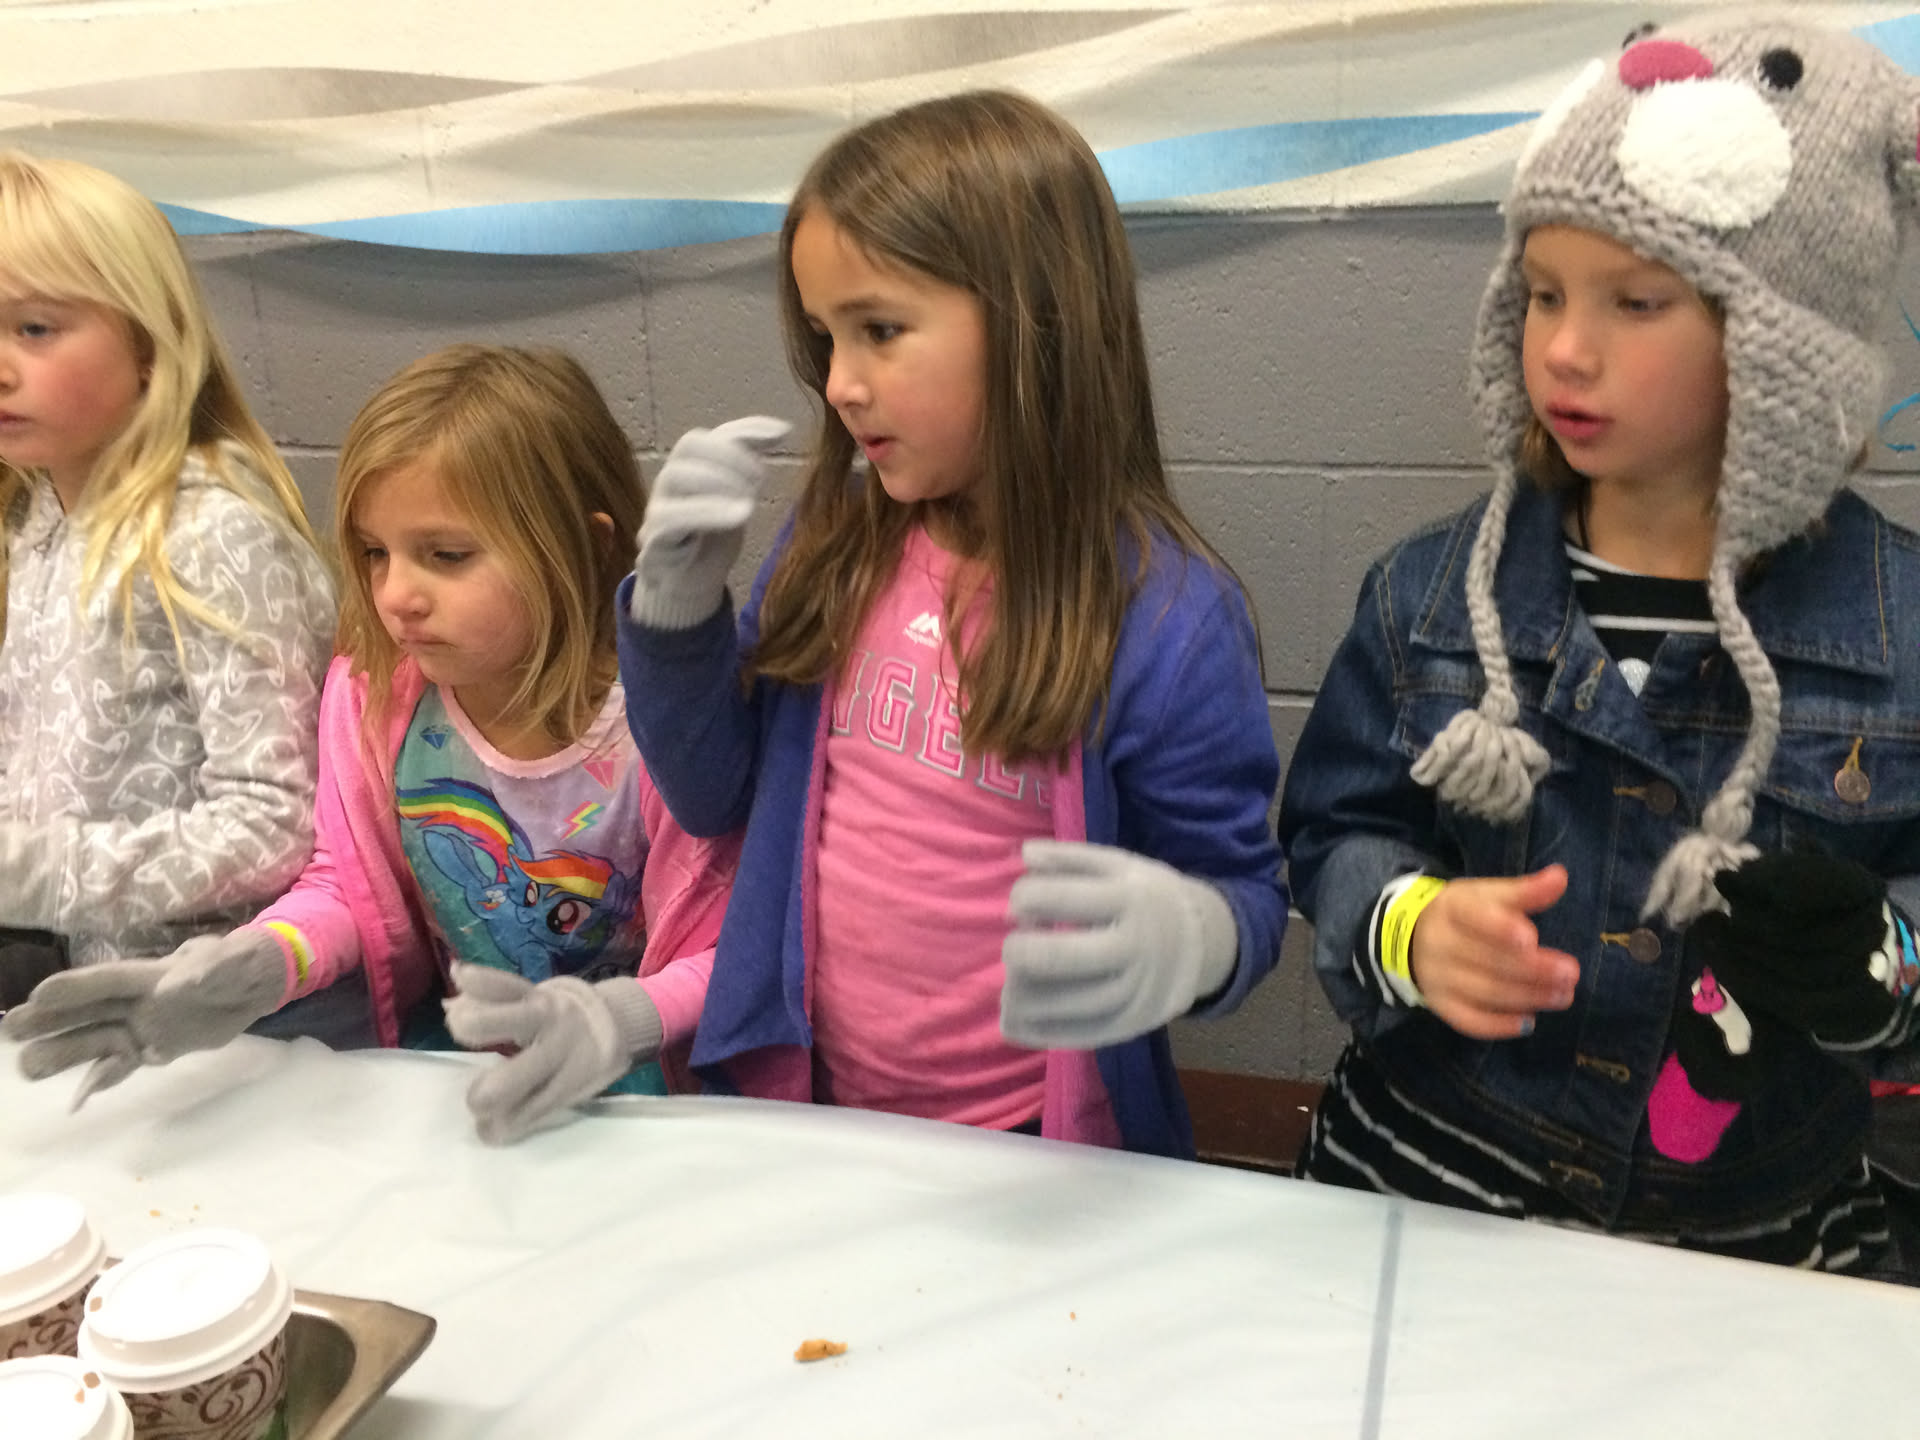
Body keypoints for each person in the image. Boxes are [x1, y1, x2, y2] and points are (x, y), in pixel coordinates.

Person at [1280, 17, 1920, 1272]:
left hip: (1756, 1233)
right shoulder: (1428, 598)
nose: (1566, 348)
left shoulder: (1901, 637)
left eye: (1636, 301)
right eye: (1543, 294)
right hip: (1427, 1175)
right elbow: (1334, 832)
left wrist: (1883, 963)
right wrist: (1410, 928)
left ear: (1785, 348)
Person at [618, 91, 1286, 1157]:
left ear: (1035, 324)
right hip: (813, 1112)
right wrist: (676, 612)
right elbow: (711, 795)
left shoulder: (1168, 619)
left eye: (879, 331)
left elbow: (1244, 896)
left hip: (1029, 1153)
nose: (840, 384)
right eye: (826, 339)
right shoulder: (837, 542)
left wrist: (1198, 937)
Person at [7, 345, 738, 1144]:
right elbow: (350, 885)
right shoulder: (377, 695)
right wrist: (263, 960)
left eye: (446, 555)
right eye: (374, 552)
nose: (396, 595)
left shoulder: (665, 727)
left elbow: (735, 946)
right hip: (455, 1078)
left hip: (641, 1093)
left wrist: (619, 1019)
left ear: (587, 545)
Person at [0, 151, 335, 1008]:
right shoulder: (40, 514)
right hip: (86, 989)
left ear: (149, 346)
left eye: (34, 328)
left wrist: (32, 874)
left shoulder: (214, 533)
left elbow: (273, 826)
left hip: (222, 1011)